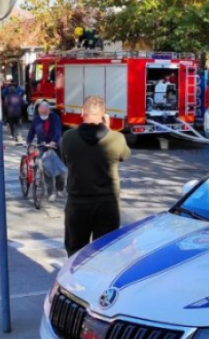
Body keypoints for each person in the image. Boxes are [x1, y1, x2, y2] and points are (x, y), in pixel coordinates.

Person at [60, 96, 131, 256]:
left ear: (82, 112)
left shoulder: (69, 137)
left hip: (78, 202)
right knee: (105, 251)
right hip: (107, 202)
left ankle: (75, 279)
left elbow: (64, 159)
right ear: (104, 114)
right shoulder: (116, 138)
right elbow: (125, 156)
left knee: (75, 250)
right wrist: (108, 129)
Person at [27, 101, 65, 201]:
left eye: (45, 113)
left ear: (49, 111)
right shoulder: (36, 119)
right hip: (42, 144)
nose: (43, 115)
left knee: (58, 168)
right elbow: (32, 131)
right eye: (41, 113)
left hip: (55, 144)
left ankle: (59, 188)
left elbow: (58, 131)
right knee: (47, 169)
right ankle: (51, 192)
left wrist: (53, 142)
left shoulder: (55, 117)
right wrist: (28, 142)